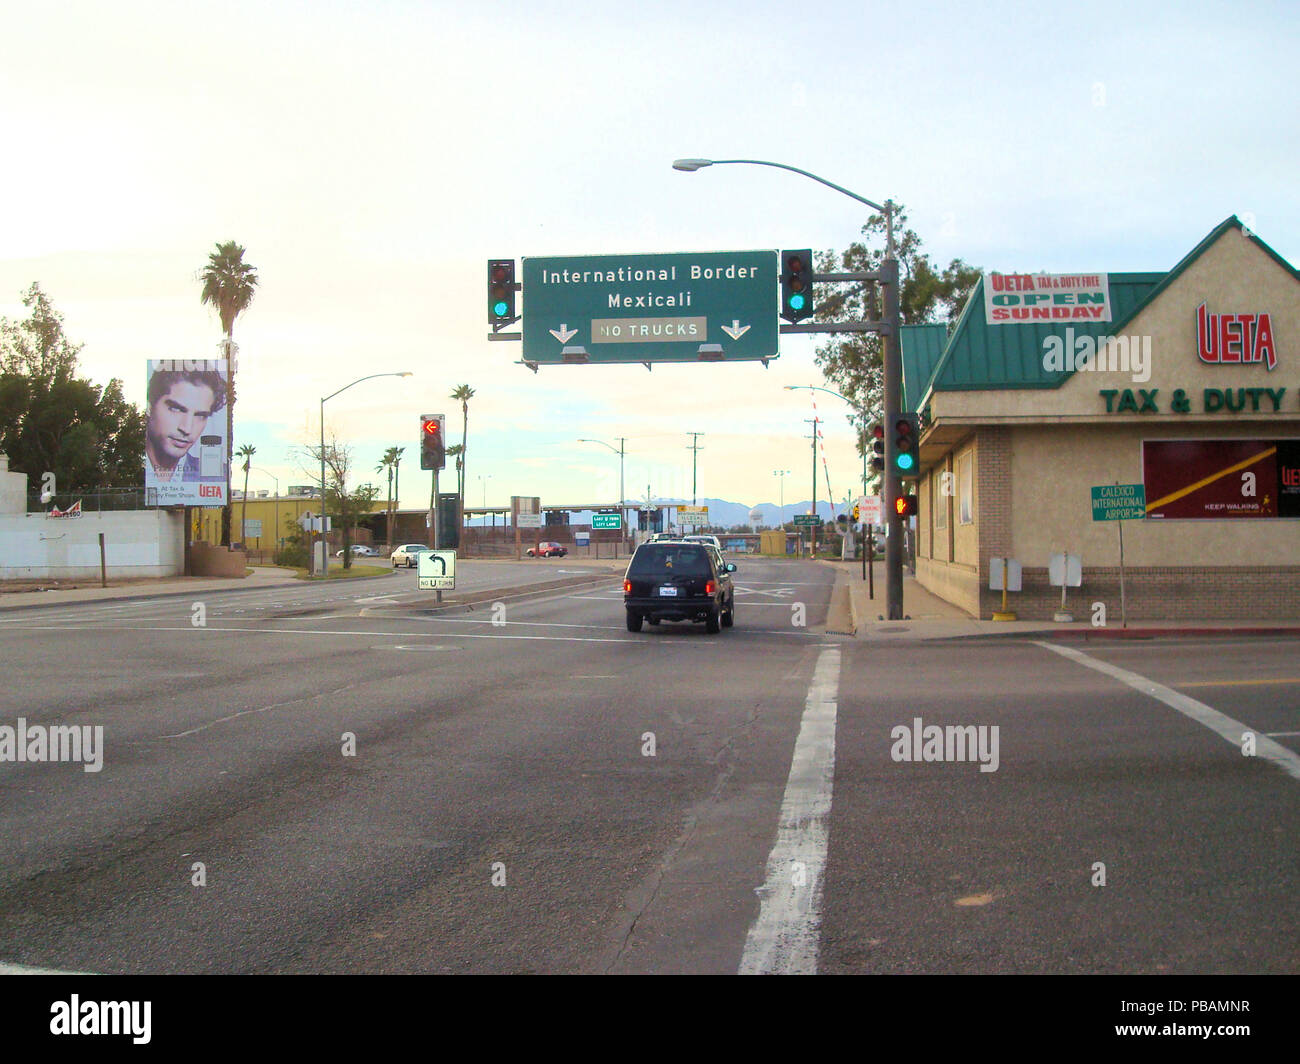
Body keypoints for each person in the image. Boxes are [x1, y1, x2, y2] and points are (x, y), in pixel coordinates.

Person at [144, 368, 226, 482]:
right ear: (150, 406)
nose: (187, 429)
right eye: (176, 409)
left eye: (200, 415)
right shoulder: (126, 467)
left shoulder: (217, 477)